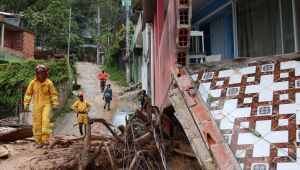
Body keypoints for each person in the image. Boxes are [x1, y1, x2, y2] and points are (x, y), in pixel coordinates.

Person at [23, 64, 59, 148]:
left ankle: (45, 139)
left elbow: (54, 94)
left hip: (46, 104)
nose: (41, 74)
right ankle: (39, 141)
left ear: (45, 73)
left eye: (42, 72)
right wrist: (26, 104)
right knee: (37, 123)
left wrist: (55, 104)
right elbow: (28, 94)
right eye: (39, 73)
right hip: (36, 106)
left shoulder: (49, 83)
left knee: (45, 120)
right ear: (37, 74)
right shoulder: (33, 83)